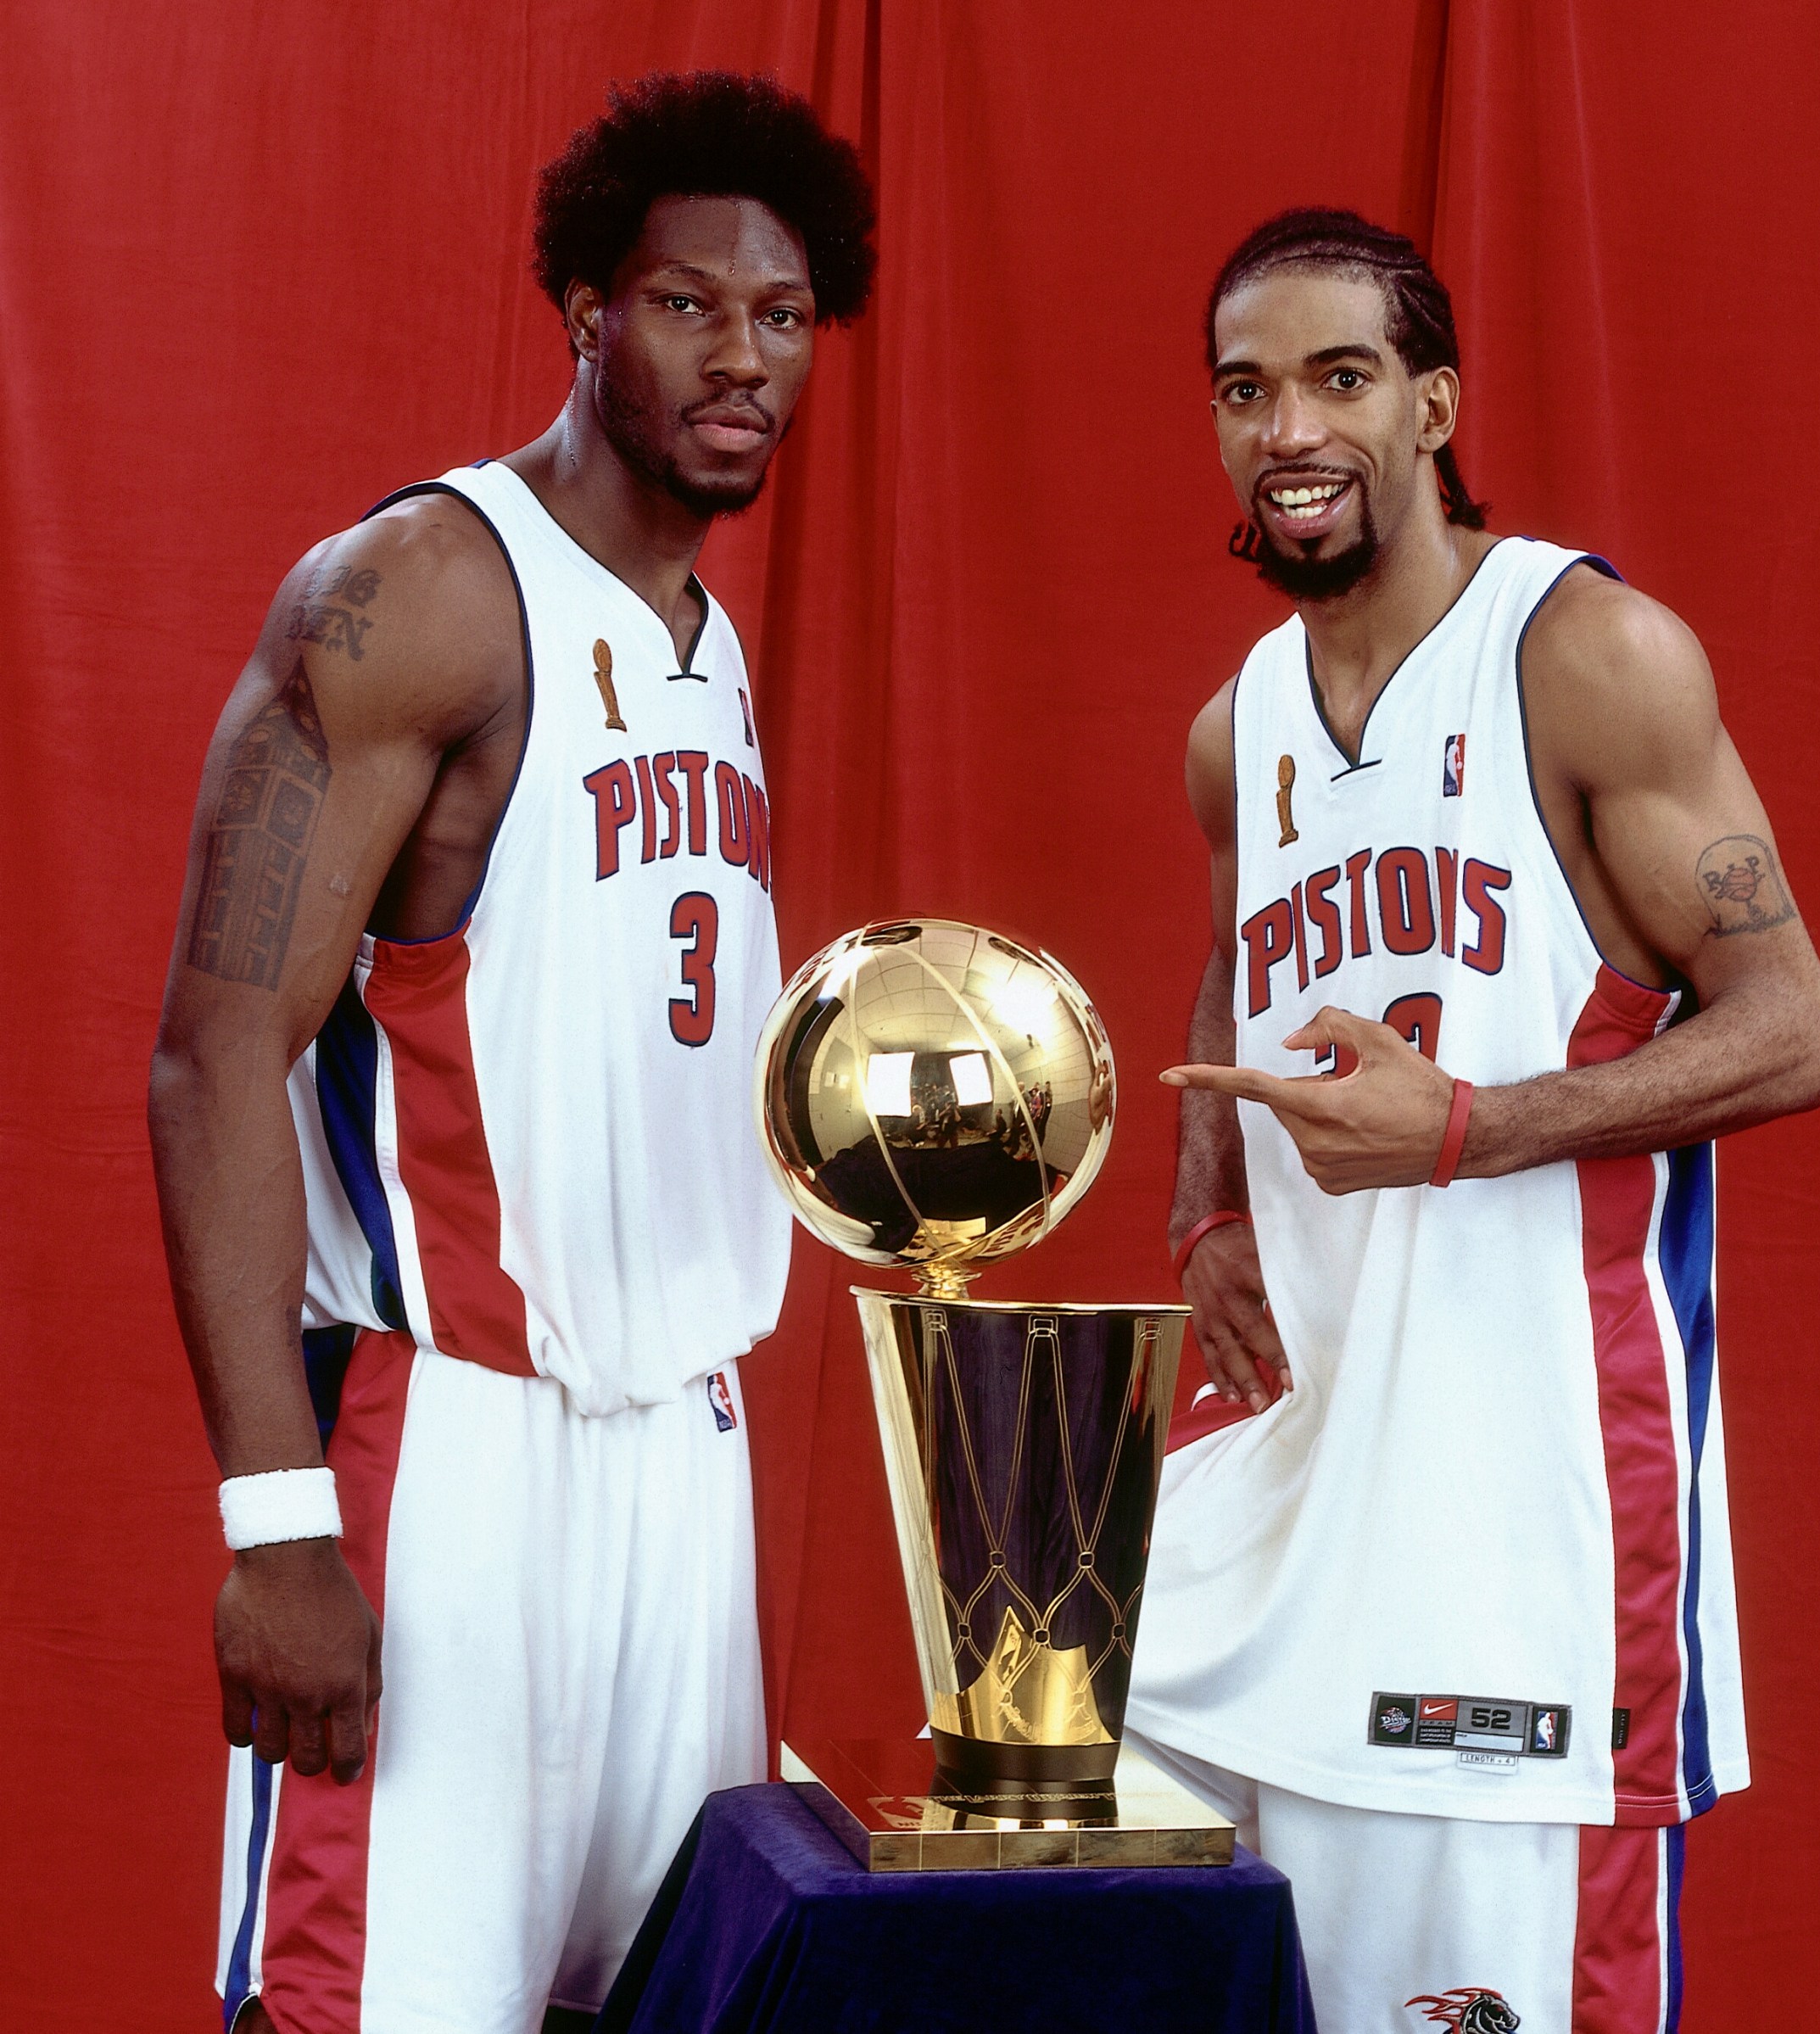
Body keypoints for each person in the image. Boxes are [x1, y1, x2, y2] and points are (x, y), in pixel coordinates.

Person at [148, 73, 874, 2034]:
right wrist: (277, 1523)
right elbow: (216, 1055)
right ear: (583, 309)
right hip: (453, 1442)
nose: (743, 356)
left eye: (784, 316)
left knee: (653, 2001)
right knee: (374, 2002)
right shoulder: (417, 596)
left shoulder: (706, 640)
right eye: (687, 304)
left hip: (682, 1449)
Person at [1123, 210, 1820, 2033]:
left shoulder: (1585, 650)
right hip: (1298, 1497)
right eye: (1246, 387)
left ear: (1433, 403)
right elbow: (1228, 961)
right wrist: (1207, 1204)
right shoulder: (1242, 725)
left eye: (1340, 378)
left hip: (1520, 1538)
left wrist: (1473, 1123)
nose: (1290, 425)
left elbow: (1795, 1028)